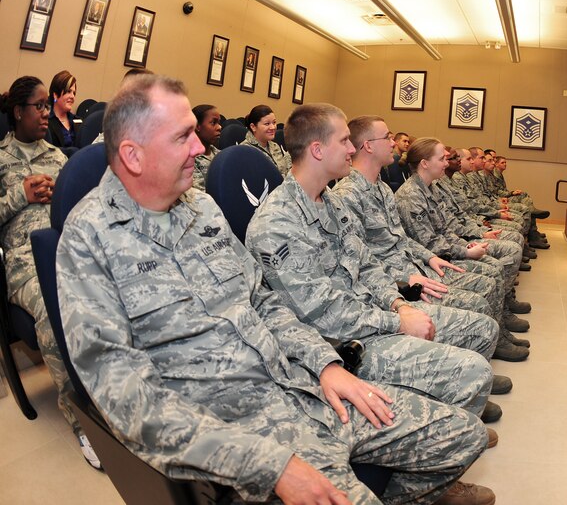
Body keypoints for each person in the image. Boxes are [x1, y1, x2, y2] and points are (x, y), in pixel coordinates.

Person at [56, 74, 490, 505]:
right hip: (237, 433)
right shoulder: (89, 238)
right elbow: (127, 397)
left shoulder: (201, 209)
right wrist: (268, 465)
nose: (200, 148)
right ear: (133, 155)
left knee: (463, 435)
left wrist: (324, 364)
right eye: (183, 136)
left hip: (298, 385)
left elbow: (263, 300)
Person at [244, 104, 502, 423]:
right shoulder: (276, 224)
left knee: (482, 330)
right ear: (317, 150)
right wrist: (397, 323)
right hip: (345, 344)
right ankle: (451, 421)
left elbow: (367, 264)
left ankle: (451, 406)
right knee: (474, 371)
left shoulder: (331, 202)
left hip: (373, 314)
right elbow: (322, 314)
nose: (352, 149)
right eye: (344, 141)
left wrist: (398, 304)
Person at [331, 115, 521, 391]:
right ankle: (464, 379)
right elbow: (362, 260)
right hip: (397, 282)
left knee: (485, 288)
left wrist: (430, 258)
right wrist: (404, 282)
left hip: (415, 268)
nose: (393, 143)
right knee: (478, 303)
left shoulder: (381, 188)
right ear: (369, 146)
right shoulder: (347, 195)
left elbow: (402, 240)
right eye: (387, 137)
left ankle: (468, 376)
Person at [0, 76, 99, 469]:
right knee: (53, 305)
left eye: (47, 106)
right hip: (24, 262)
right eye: (38, 106)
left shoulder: (58, 157)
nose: (46, 113)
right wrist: (19, 194)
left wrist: (61, 197)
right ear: (17, 112)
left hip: (65, 249)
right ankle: (82, 423)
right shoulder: (0, 158)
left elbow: (82, 208)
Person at [240, 104, 290, 176]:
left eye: (274, 122)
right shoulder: (245, 150)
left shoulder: (275, 146)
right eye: (267, 124)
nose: (273, 127)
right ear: (253, 127)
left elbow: (284, 172)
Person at [46, 70, 82, 149]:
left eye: (74, 93)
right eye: (68, 91)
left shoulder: (78, 121)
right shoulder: (45, 121)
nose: (72, 96)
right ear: (55, 95)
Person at [191, 104, 222, 191]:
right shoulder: (191, 158)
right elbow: (199, 193)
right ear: (197, 126)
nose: (219, 127)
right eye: (213, 123)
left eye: (219, 123)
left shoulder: (221, 155)